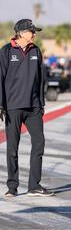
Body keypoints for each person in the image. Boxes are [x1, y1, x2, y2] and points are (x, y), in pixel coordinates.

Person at [0, 19, 54, 197]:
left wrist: (41, 103)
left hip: (34, 107)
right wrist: (1, 104)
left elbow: (41, 79)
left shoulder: (36, 51)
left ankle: (34, 185)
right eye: (32, 31)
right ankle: (12, 187)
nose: (35, 34)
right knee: (12, 148)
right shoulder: (6, 51)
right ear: (21, 33)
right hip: (13, 107)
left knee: (39, 143)